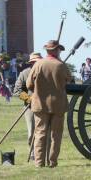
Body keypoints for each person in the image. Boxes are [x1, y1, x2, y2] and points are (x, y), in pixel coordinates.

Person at [26, 40, 71, 168]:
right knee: (56, 135)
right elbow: (69, 79)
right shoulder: (61, 65)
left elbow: (29, 84)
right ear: (56, 51)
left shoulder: (38, 64)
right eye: (59, 50)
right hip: (58, 104)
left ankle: (39, 163)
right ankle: (52, 162)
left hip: (40, 104)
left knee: (40, 133)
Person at [13, 52, 43, 161]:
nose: (36, 64)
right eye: (34, 62)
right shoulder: (24, 73)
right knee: (32, 131)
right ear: (31, 63)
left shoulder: (45, 73)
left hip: (44, 106)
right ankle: (33, 152)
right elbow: (17, 90)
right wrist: (28, 99)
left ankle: (42, 152)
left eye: (38, 62)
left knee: (43, 131)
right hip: (29, 107)